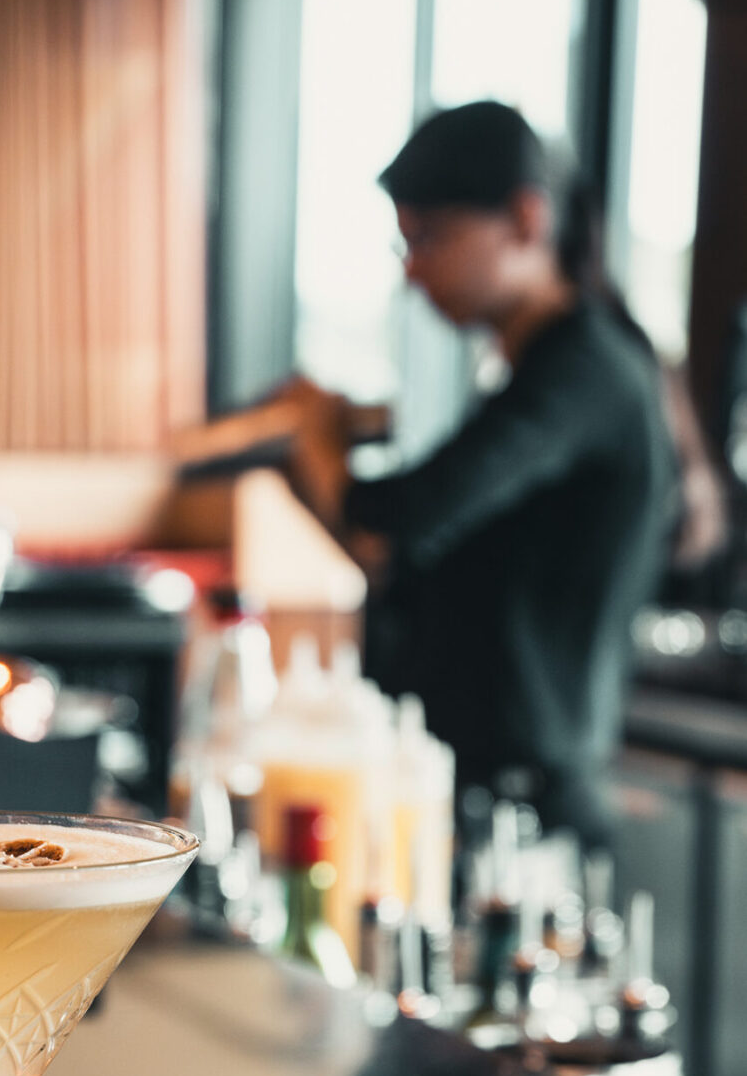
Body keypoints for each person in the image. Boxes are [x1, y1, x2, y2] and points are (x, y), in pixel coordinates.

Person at [284, 100, 680, 846]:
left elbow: (412, 513)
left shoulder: (581, 371)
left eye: (429, 238)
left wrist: (313, 442)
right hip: (479, 784)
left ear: (525, 220)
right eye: (403, 244)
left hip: (526, 808)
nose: (413, 271)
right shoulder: (532, 364)